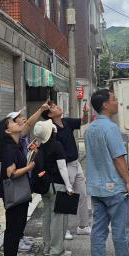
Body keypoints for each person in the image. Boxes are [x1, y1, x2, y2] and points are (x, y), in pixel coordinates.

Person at [85, 89, 129, 256]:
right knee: (120, 230)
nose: (117, 102)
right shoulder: (111, 128)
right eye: (114, 99)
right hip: (115, 187)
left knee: (98, 229)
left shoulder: (90, 129)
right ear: (105, 104)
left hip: (96, 187)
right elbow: (118, 158)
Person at [41, 100, 91, 239]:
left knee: (82, 195)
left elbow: (83, 121)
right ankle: (64, 229)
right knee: (65, 197)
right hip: (64, 165)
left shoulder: (66, 121)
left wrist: (85, 112)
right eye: (54, 107)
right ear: (50, 114)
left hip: (76, 163)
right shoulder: (51, 129)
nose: (58, 107)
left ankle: (83, 226)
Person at [7, 105, 53, 252]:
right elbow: (12, 173)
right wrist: (40, 110)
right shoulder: (12, 141)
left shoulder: (22, 139)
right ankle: (16, 241)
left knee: (22, 212)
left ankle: (20, 236)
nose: (23, 119)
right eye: (19, 118)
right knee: (16, 214)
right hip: (17, 182)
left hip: (24, 179)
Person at [0, 116, 35, 256]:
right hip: (14, 193)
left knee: (17, 227)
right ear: (7, 130)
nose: (17, 122)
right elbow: (11, 173)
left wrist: (31, 154)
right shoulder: (9, 149)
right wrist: (30, 167)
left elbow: (27, 125)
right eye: (12, 122)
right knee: (13, 229)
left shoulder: (15, 145)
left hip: (19, 191)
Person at [33, 120, 74, 256]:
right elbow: (62, 167)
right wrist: (69, 186)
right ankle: (57, 250)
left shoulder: (40, 147)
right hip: (57, 185)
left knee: (47, 217)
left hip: (45, 186)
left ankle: (47, 247)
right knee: (58, 218)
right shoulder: (57, 145)